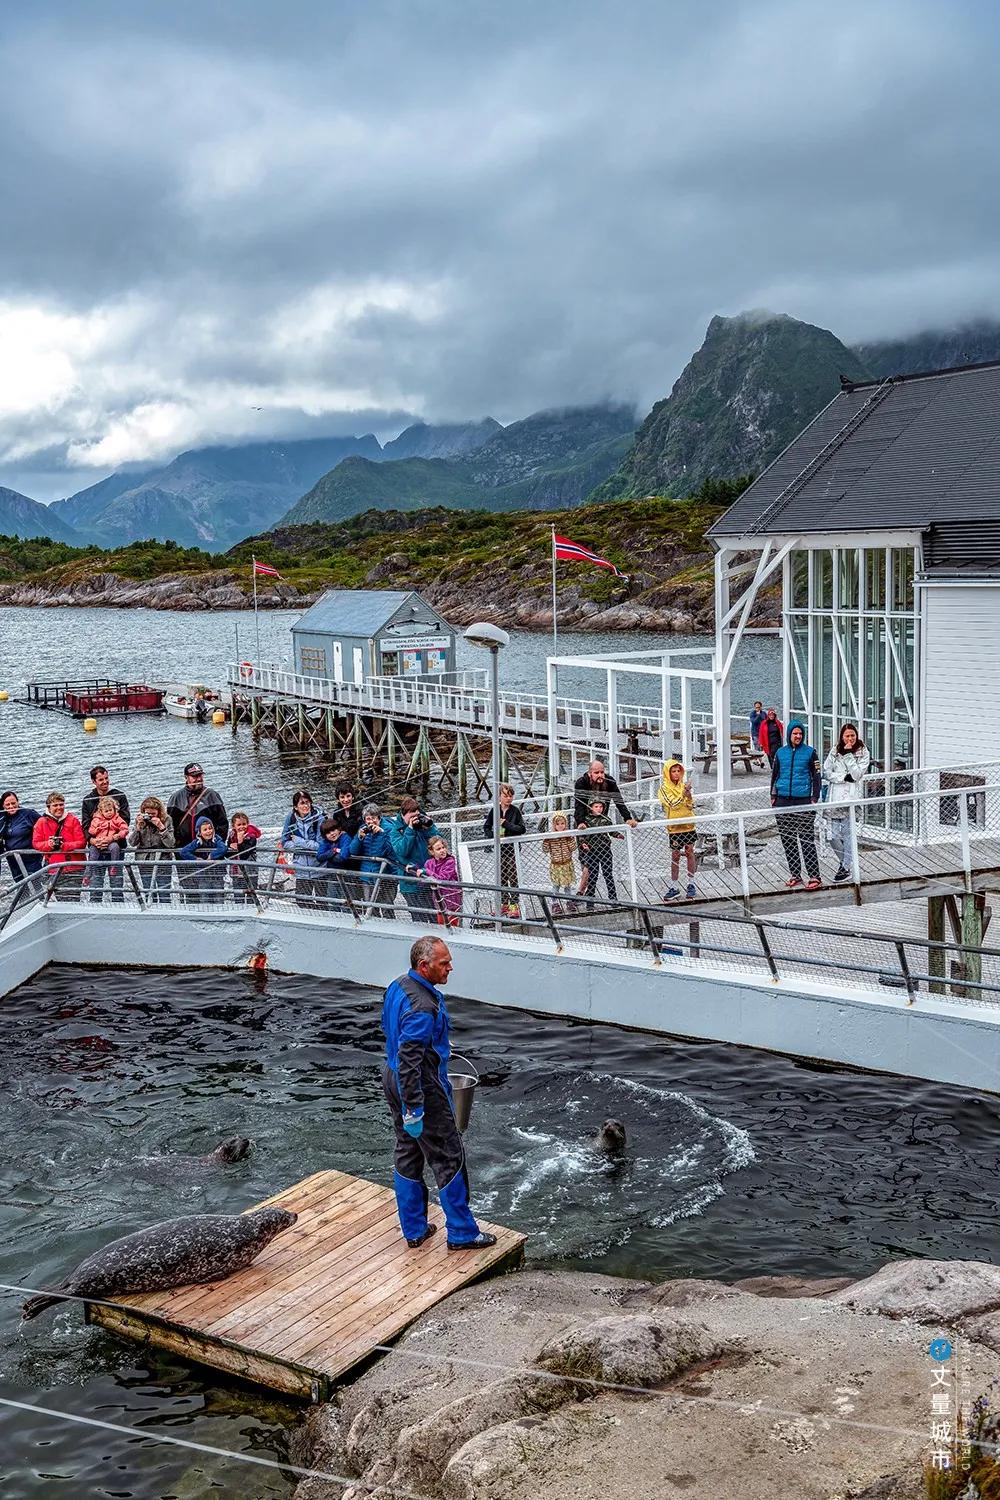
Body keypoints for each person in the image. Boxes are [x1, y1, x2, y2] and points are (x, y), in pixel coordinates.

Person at [381, 936, 496, 1251]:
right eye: (444, 963)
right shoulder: (424, 1007)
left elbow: (393, 1034)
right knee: (448, 1156)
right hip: (421, 1084)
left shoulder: (398, 985)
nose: (450, 968)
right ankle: (461, 1232)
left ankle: (414, 1229)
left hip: (391, 1078)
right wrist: (415, 1107)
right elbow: (410, 1060)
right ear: (424, 966)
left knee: (408, 1150)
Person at [771, 720, 822, 889]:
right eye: (795, 733)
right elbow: (775, 775)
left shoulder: (810, 753)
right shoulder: (780, 752)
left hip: (803, 800)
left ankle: (814, 876)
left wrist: (814, 797)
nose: (798, 736)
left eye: (800, 734)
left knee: (806, 839)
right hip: (783, 801)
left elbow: (816, 776)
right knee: (788, 839)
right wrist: (773, 796)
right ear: (789, 735)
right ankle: (795, 874)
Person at [823, 724, 871, 882]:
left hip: (850, 798)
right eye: (847, 736)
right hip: (834, 798)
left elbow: (857, 774)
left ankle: (845, 867)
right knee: (831, 836)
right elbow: (826, 772)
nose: (850, 739)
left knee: (848, 834)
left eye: (852, 735)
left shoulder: (863, 752)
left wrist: (849, 755)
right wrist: (843, 777)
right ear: (842, 737)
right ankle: (846, 863)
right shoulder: (835, 750)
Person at [390, 797, 441, 924]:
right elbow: (402, 851)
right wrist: (410, 829)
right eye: (411, 816)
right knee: (419, 918)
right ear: (403, 815)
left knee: (434, 914)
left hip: (428, 877)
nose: (415, 819)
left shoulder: (423, 827)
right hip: (410, 883)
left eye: (417, 816)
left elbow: (438, 840)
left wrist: (428, 827)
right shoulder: (395, 831)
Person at [32, 792, 87, 900]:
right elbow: (36, 843)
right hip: (54, 868)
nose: (59, 808)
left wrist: (64, 846)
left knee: (74, 898)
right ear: (48, 807)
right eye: (55, 805)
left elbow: (81, 842)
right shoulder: (41, 822)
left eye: (61, 804)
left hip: (75, 866)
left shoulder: (73, 820)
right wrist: (48, 844)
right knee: (61, 898)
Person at [657, 758, 697, 900]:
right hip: (674, 827)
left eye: (678, 771)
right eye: (673, 771)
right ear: (668, 773)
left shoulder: (682, 786)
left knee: (690, 851)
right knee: (675, 854)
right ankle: (674, 886)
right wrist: (683, 795)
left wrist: (688, 795)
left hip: (688, 824)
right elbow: (672, 804)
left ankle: (691, 883)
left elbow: (691, 805)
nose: (676, 774)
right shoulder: (663, 789)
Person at [483, 785, 525, 918]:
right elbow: (486, 827)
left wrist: (506, 824)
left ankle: (514, 904)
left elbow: (522, 829)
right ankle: (504, 903)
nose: (508, 798)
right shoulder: (494, 810)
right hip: (499, 849)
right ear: (499, 797)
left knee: (512, 876)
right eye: (505, 796)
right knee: (501, 877)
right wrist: (492, 837)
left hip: (512, 849)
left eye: (510, 796)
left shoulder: (515, 811)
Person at [350, 804, 398, 917]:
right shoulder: (362, 829)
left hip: (386, 876)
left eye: (374, 818)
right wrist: (359, 838)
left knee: (387, 907)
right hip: (367, 875)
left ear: (379, 818)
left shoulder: (389, 829)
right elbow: (353, 851)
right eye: (368, 819)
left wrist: (382, 834)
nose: (371, 821)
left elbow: (392, 852)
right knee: (370, 908)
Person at [281, 790, 325, 908]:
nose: (305, 806)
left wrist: (300, 842)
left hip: (319, 868)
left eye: (307, 802)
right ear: (296, 807)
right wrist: (300, 847)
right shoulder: (291, 819)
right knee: (302, 902)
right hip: (301, 870)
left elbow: (320, 846)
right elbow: (285, 842)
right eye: (302, 803)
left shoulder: (319, 819)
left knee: (323, 902)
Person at [128, 796, 175, 904]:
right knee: (148, 892)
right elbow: (132, 842)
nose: (150, 816)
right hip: (144, 861)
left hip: (162, 860)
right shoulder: (140, 820)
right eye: (147, 814)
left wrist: (161, 827)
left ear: (159, 812)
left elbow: (171, 844)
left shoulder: (167, 820)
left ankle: (166, 913)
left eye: (153, 814)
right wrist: (138, 828)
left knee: (164, 892)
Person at [167, 763, 227, 847]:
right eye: (194, 777)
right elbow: (170, 824)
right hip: (183, 849)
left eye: (200, 776)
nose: (199, 779)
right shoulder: (176, 798)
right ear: (186, 777)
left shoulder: (212, 796)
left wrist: (217, 845)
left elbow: (222, 824)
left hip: (208, 848)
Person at [85, 794, 129, 904]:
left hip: (112, 841)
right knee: (92, 853)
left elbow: (125, 829)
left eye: (111, 810)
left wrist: (117, 836)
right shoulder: (96, 819)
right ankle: (88, 872)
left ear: (115, 810)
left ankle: (113, 866)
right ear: (101, 811)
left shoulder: (117, 818)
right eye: (106, 811)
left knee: (115, 848)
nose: (109, 813)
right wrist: (96, 831)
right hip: (98, 842)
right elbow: (90, 831)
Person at [577, 797, 622, 902]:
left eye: (601, 806)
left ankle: (613, 898)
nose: (599, 809)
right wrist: (583, 843)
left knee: (608, 874)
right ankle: (590, 899)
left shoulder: (605, 819)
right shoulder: (586, 820)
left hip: (605, 849)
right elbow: (581, 835)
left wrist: (617, 834)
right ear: (591, 807)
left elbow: (611, 831)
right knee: (593, 875)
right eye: (596, 806)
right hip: (592, 851)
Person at [573, 759, 638, 829]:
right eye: (596, 773)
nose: (600, 775)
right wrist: (580, 821)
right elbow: (579, 804)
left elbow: (619, 801)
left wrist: (627, 818)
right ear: (590, 773)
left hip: (602, 821)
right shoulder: (581, 783)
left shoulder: (610, 782)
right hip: (585, 822)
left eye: (602, 772)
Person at [177, 816, 228, 903]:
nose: (208, 831)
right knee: (204, 899)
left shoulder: (217, 839)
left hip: (217, 875)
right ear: (199, 832)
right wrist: (196, 859)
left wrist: (211, 856)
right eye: (205, 830)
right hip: (203, 876)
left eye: (210, 828)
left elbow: (223, 848)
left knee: (219, 898)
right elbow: (183, 852)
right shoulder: (197, 842)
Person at [0, 791, 42, 883]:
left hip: (31, 858)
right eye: (8, 804)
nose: (11, 806)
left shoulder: (28, 813)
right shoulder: (2, 818)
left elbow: (44, 825)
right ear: (3, 806)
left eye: (13, 803)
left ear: (18, 802)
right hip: (13, 860)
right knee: (21, 887)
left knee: (36, 885)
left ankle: (43, 898)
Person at [81, 765, 130, 841]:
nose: (105, 782)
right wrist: (92, 840)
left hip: (116, 841)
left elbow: (125, 819)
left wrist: (113, 837)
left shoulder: (119, 796)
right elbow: (85, 824)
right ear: (94, 781)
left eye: (106, 778)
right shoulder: (88, 800)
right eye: (101, 780)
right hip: (96, 842)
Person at [316, 813, 355, 909]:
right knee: (333, 900)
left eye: (333, 830)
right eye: (328, 833)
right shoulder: (326, 842)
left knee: (346, 902)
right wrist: (333, 851)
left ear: (339, 829)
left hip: (346, 875)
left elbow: (343, 856)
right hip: (333, 875)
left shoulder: (346, 838)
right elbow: (319, 856)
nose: (332, 834)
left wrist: (329, 856)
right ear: (325, 836)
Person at [423, 835, 462, 927]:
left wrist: (427, 872)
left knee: (452, 924)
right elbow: (423, 878)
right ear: (432, 852)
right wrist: (416, 868)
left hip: (451, 898)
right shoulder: (429, 863)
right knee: (441, 923)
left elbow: (442, 878)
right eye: (438, 849)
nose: (442, 850)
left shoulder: (450, 861)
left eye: (443, 847)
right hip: (438, 898)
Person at [544, 812, 577, 912]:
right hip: (556, 864)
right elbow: (545, 850)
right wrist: (546, 841)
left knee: (567, 885)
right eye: (557, 824)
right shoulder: (551, 837)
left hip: (567, 863)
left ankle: (569, 901)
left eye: (562, 824)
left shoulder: (568, 836)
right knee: (556, 885)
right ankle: (554, 903)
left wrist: (570, 839)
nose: (560, 826)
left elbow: (573, 848)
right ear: (554, 825)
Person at [227, 811, 260, 904]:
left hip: (250, 872)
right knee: (238, 897)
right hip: (236, 872)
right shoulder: (231, 836)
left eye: (244, 824)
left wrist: (240, 842)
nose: (242, 827)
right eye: (239, 825)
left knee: (251, 897)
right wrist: (231, 846)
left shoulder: (251, 836)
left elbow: (245, 854)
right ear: (234, 826)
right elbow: (229, 850)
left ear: (248, 824)